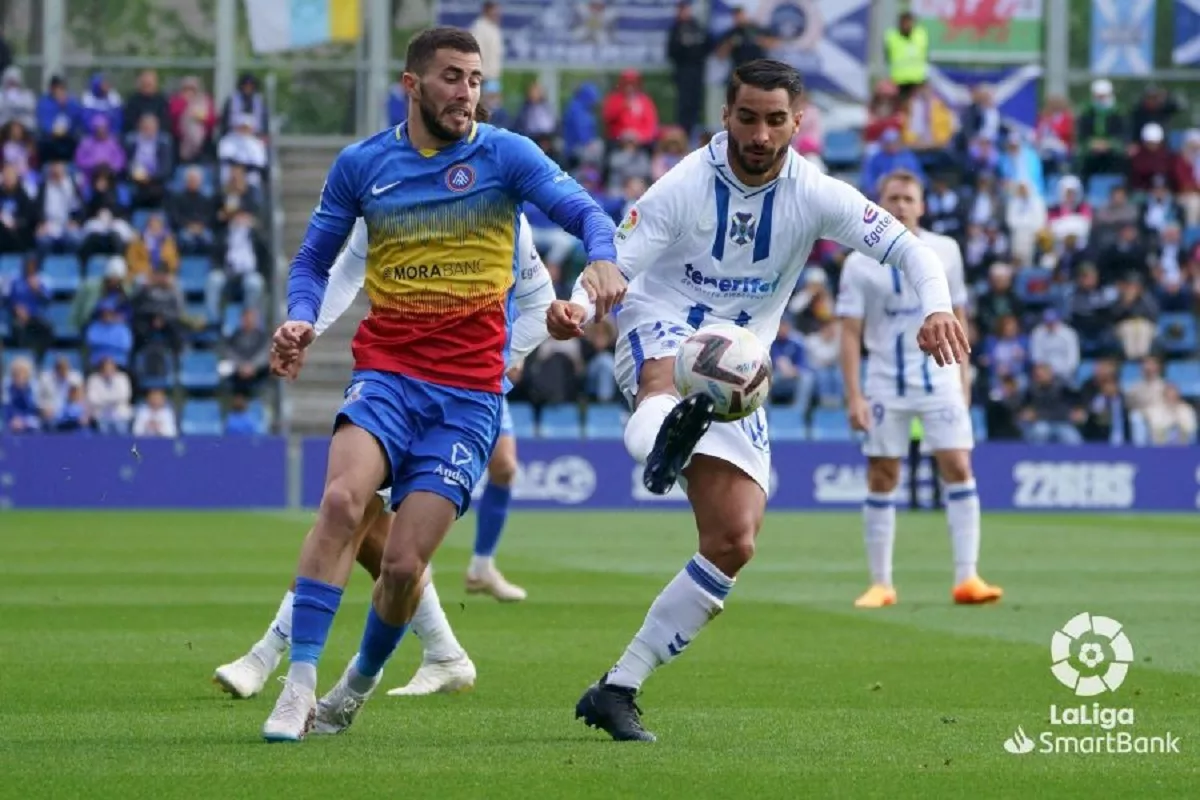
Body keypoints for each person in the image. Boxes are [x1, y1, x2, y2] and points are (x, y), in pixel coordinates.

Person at [545, 59, 969, 742]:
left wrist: (937, 307)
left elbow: (912, 251)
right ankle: (662, 441)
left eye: (775, 120)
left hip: (741, 364)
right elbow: (613, 263)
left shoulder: (815, 192)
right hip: (665, 319)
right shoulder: (685, 184)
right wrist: (576, 305)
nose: (760, 134)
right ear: (726, 116)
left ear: (798, 123)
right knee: (662, 379)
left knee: (734, 541)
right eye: (747, 118)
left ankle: (617, 687)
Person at [262, 26, 621, 742]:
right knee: (341, 502)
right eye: (452, 77)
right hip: (387, 374)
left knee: (401, 567)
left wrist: (602, 258)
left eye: (475, 79)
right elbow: (311, 262)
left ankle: (354, 686)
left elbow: (586, 212)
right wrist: (300, 317)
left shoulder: (506, 154)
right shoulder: (363, 164)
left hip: (468, 397)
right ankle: (296, 687)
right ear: (412, 84)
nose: (466, 92)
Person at [214, 211, 553, 699]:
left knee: (360, 519)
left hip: (463, 390)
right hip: (402, 380)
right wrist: (306, 326)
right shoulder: (398, 194)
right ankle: (443, 650)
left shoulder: (499, 203)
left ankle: (268, 653)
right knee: (363, 523)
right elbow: (346, 267)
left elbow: (541, 295)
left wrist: (501, 358)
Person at [836, 169, 1002, 610]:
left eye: (909, 198)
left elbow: (959, 315)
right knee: (882, 474)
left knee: (958, 465)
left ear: (922, 206)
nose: (901, 205)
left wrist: (964, 380)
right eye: (893, 198)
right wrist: (854, 394)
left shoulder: (946, 251)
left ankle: (967, 577)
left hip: (940, 377)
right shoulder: (858, 261)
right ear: (880, 205)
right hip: (885, 381)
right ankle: (881, 583)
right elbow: (850, 332)